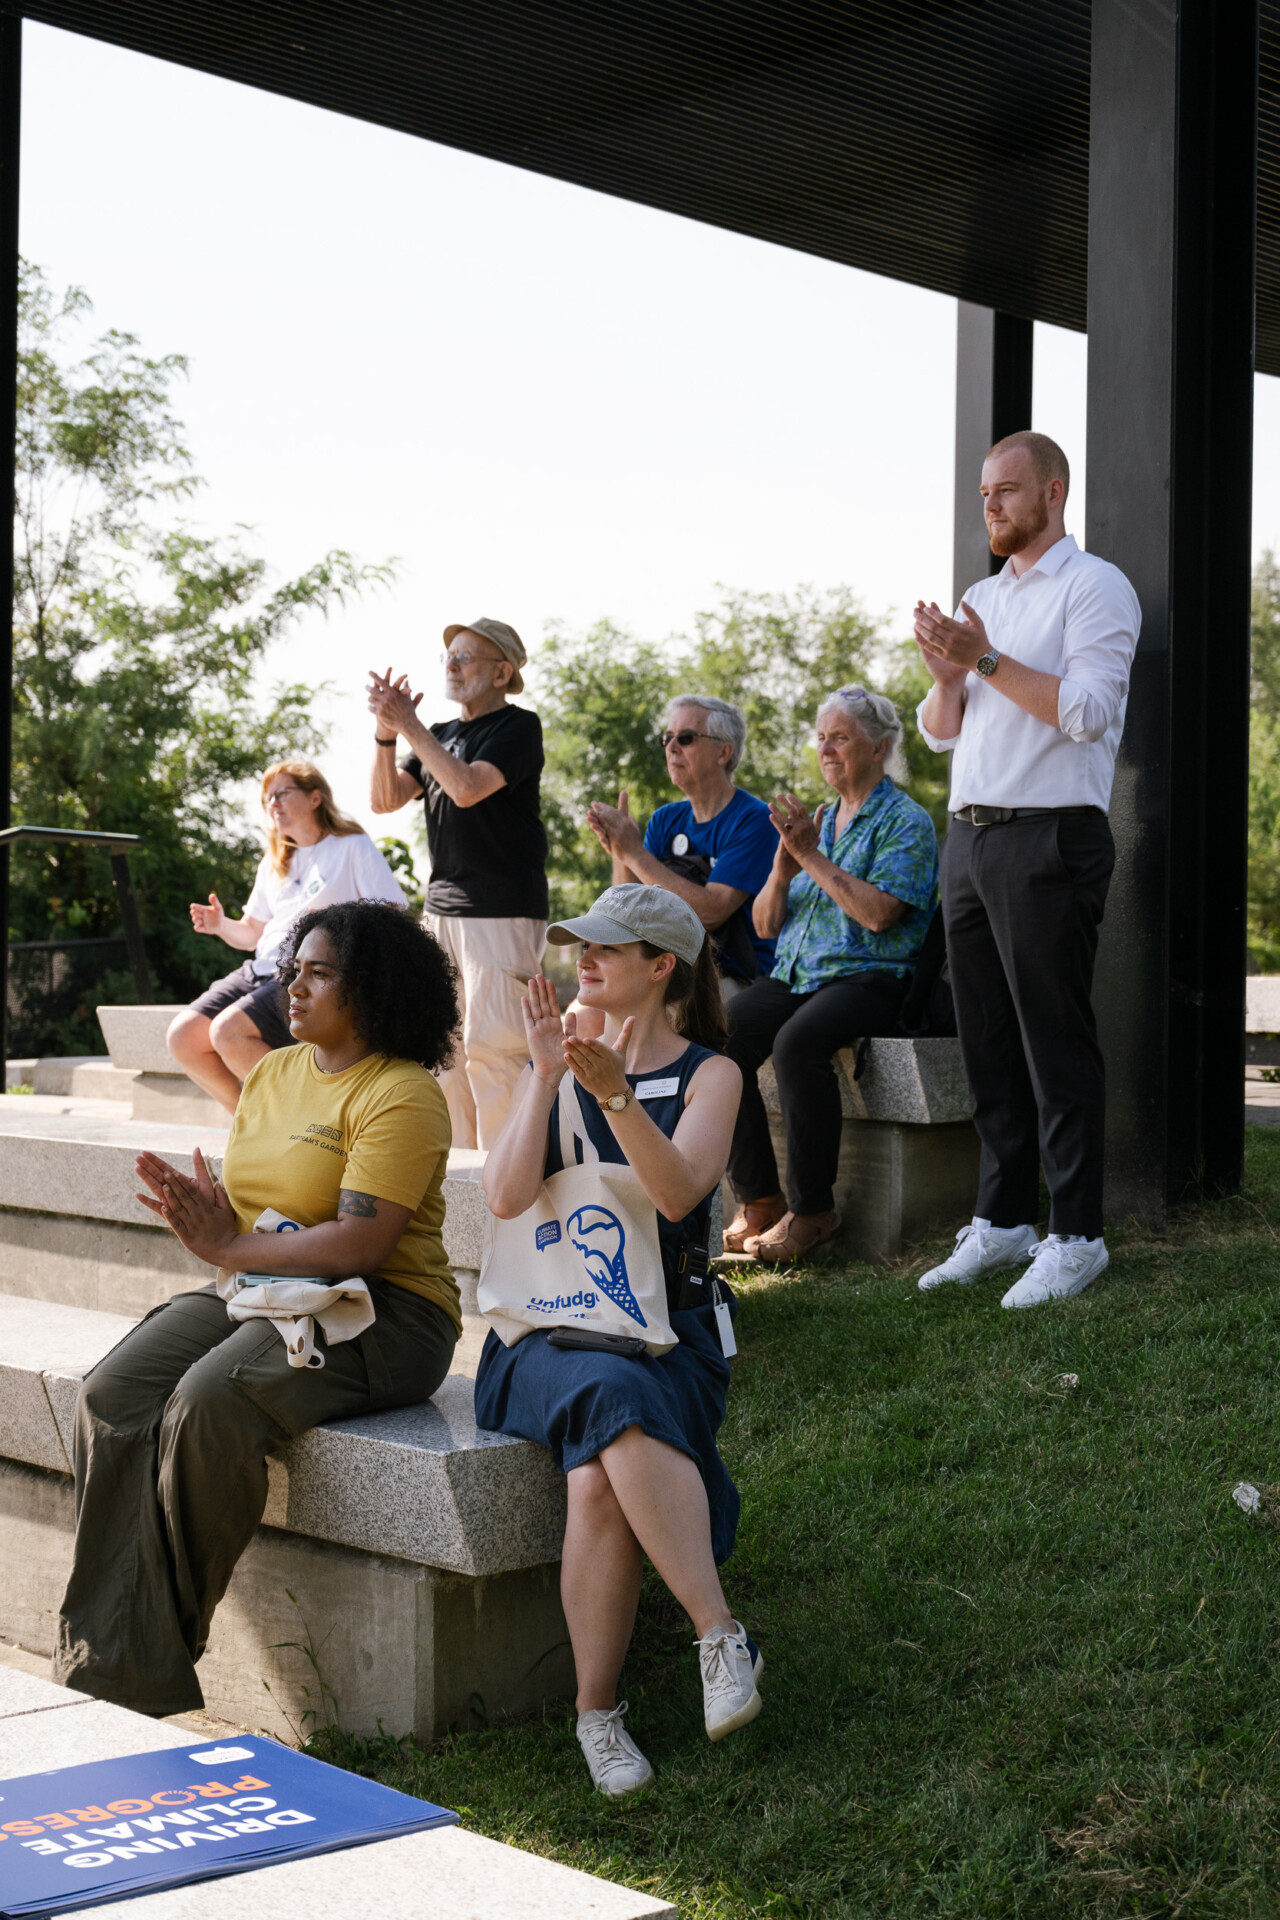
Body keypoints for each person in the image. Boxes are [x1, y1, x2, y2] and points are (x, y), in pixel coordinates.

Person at [54, 901, 461, 1716]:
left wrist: (229, 1246)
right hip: (266, 1286)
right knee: (114, 1394)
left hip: (388, 1312)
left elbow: (358, 1246)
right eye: (290, 971)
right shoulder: (274, 1072)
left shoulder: (402, 1093)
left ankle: (131, 1675)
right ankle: (111, 1657)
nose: (292, 988)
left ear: (373, 989)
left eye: (317, 973)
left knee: (210, 1401)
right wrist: (205, 1218)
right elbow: (248, 1218)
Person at [475, 884, 759, 1798]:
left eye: (605, 948)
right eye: (579, 945)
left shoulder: (711, 1073)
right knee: (609, 1398)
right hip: (544, 1330)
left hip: (666, 1331)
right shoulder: (551, 1058)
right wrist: (550, 1076)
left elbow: (680, 1198)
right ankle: (717, 1634)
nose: (582, 960)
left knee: (596, 1475)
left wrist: (619, 1098)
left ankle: (596, 1714)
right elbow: (507, 1198)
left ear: (662, 966)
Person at [912, 429, 1140, 1307]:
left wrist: (983, 661)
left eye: (1007, 490)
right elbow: (943, 728)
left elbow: (1084, 712)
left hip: (1050, 837)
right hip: (969, 837)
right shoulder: (981, 596)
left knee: (1054, 1040)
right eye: (982, 493)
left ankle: (1077, 1234)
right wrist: (946, 674)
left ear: (1053, 492)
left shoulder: (1095, 587)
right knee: (989, 1044)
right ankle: (1003, 1223)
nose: (991, 506)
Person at [723, 688, 938, 1264]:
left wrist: (812, 858)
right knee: (719, 1037)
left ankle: (813, 1210)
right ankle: (760, 1199)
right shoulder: (818, 820)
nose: (826, 748)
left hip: (871, 977)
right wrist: (781, 865)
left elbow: (878, 915)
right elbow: (766, 927)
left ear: (880, 747)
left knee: (796, 1045)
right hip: (795, 977)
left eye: (840, 737)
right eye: (821, 737)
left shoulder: (905, 821)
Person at [368, 617, 549, 1151]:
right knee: (444, 1052)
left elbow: (468, 788)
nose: (451, 663)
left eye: (465, 656)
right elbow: (383, 800)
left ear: (502, 672)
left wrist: (410, 726)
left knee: (494, 1050)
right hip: (441, 911)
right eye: (449, 655)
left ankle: (510, 1183)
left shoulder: (519, 727)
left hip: (500, 911)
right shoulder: (440, 736)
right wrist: (386, 733)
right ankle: (466, 1181)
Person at [167, 760, 408, 1115]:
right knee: (183, 1037)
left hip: (305, 974)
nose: (273, 804)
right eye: (267, 799)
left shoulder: (351, 845)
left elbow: (392, 911)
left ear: (314, 798)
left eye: (282, 793)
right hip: (260, 970)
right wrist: (221, 925)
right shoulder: (276, 860)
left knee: (228, 1032)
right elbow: (251, 933)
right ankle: (250, 1125)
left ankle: (300, 1123)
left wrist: (335, 925)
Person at [586, 694, 779, 996]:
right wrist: (619, 852)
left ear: (723, 752)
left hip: (735, 975)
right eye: (668, 738)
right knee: (587, 1011)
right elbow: (624, 916)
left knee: (662, 1013)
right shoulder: (666, 818)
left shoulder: (754, 819)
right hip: (668, 968)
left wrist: (634, 852)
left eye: (686, 738)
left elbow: (711, 913)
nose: (672, 747)